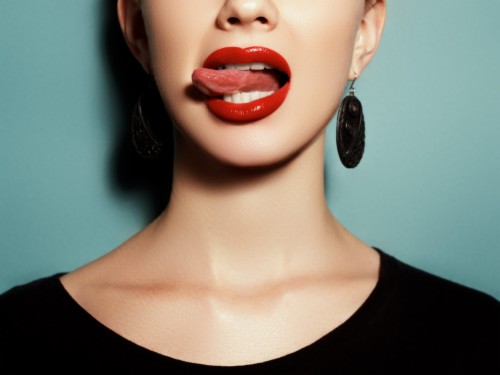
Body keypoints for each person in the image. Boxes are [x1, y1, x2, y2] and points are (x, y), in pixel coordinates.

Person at [0, 0, 498, 373]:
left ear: (363, 34)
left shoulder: (473, 340)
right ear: (138, 30)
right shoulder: (20, 336)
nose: (246, 7)